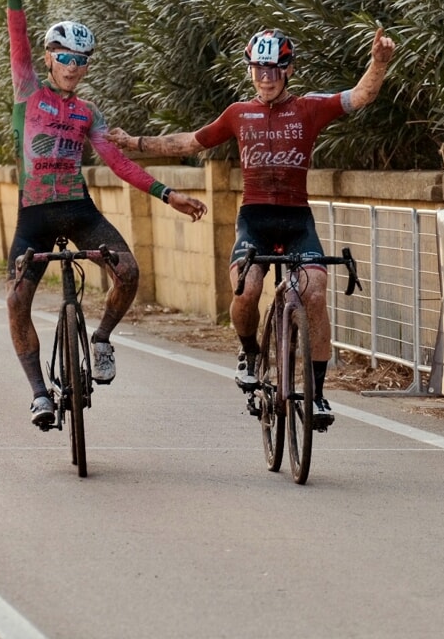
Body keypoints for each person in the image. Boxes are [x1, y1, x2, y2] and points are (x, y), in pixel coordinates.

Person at [108, 26, 396, 430]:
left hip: (297, 220)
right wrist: (136, 142)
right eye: (259, 69)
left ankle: (316, 394)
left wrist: (378, 62)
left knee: (315, 292)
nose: (266, 78)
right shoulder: (238, 114)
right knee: (247, 289)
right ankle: (248, 352)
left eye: (274, 69)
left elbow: (360, 96)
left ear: (288, 69)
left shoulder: (310, 109)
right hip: (255, 220)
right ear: (250, 71)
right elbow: (191, 142)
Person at [1, 0, 207, 429]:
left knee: (128, 271)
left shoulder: (89, 112)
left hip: (78, 211)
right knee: (16, 301)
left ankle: (101, 339)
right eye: (65, 58)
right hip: (33, 215)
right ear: (49, 58)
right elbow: (17, 48)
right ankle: (39, 394)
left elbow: (117, 161)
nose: (74, 67)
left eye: (82, 60)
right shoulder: (28, 94)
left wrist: (167, 193)